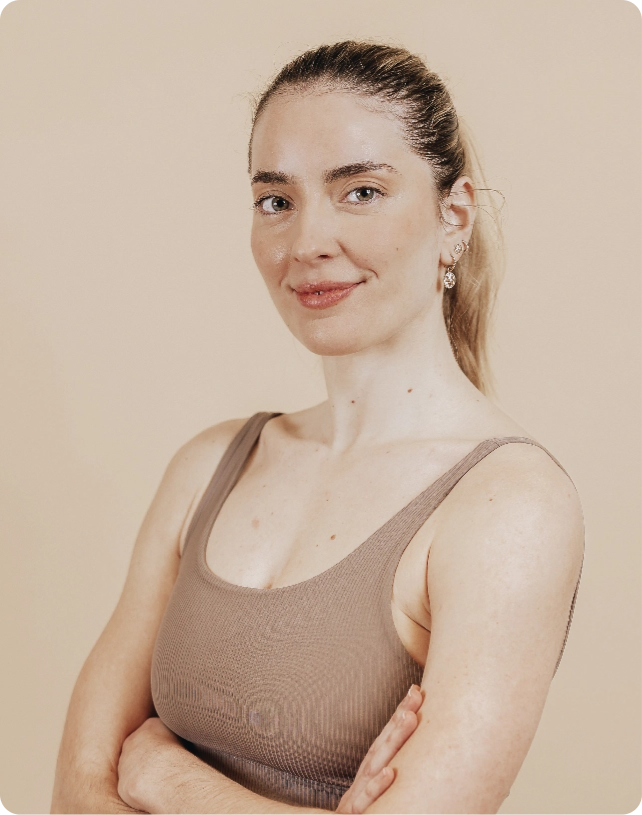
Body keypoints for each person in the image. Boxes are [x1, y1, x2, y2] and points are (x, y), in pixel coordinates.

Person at [50, 41, 584, 815]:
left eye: (360, 191)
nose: (306, 243)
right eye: (277, 200)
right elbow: (75, 793)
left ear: (454, 215)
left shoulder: (510, 507)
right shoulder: (209, 466)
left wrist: (170, 777)